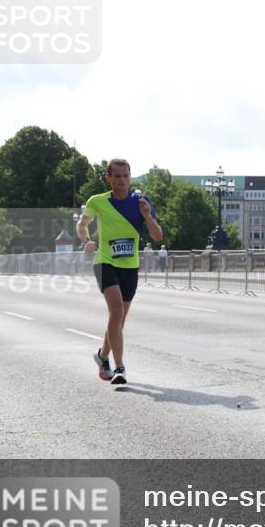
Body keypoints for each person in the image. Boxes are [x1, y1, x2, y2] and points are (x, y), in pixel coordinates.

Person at [76, 159, 163, 385]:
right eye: (118, 176)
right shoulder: (98, 201)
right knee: (115, 310)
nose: (123, 180)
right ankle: (119, 367)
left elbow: (157, 236)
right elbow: (82, 225)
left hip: (130, 266)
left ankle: (102, 356)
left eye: (126, 176)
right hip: (104, 261)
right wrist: (86, 240)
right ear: (109, 178)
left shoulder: (140, 202)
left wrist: (146, 216)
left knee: (119, 319)